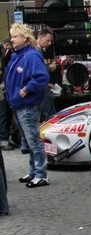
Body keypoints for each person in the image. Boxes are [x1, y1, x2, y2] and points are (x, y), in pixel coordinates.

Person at [5, 23, 50, 188]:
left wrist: (24, 91)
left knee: (34, 140)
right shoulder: (19, 55)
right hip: (20, 104)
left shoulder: (30, 56)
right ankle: (34, 172)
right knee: (30, 141)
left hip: (27, 105)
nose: (12, 39)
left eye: (15, 36)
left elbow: (41, 77)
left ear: (25, 38)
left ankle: (41, 174)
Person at [35, 27, 60, 121]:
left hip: (42, 86)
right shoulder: (36, 51)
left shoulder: (38, 50)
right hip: (41, 88)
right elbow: (37, 69)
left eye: (50, 41)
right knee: (49, 113)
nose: (49, 43)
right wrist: (49, 68)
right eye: (47, 40)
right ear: (40, 38)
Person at [0, 38, 14, 150]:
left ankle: (5, 138)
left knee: (6, 113)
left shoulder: (4, 54)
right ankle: (3, 139)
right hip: (2, 88)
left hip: (5, 87)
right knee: (4, 114)